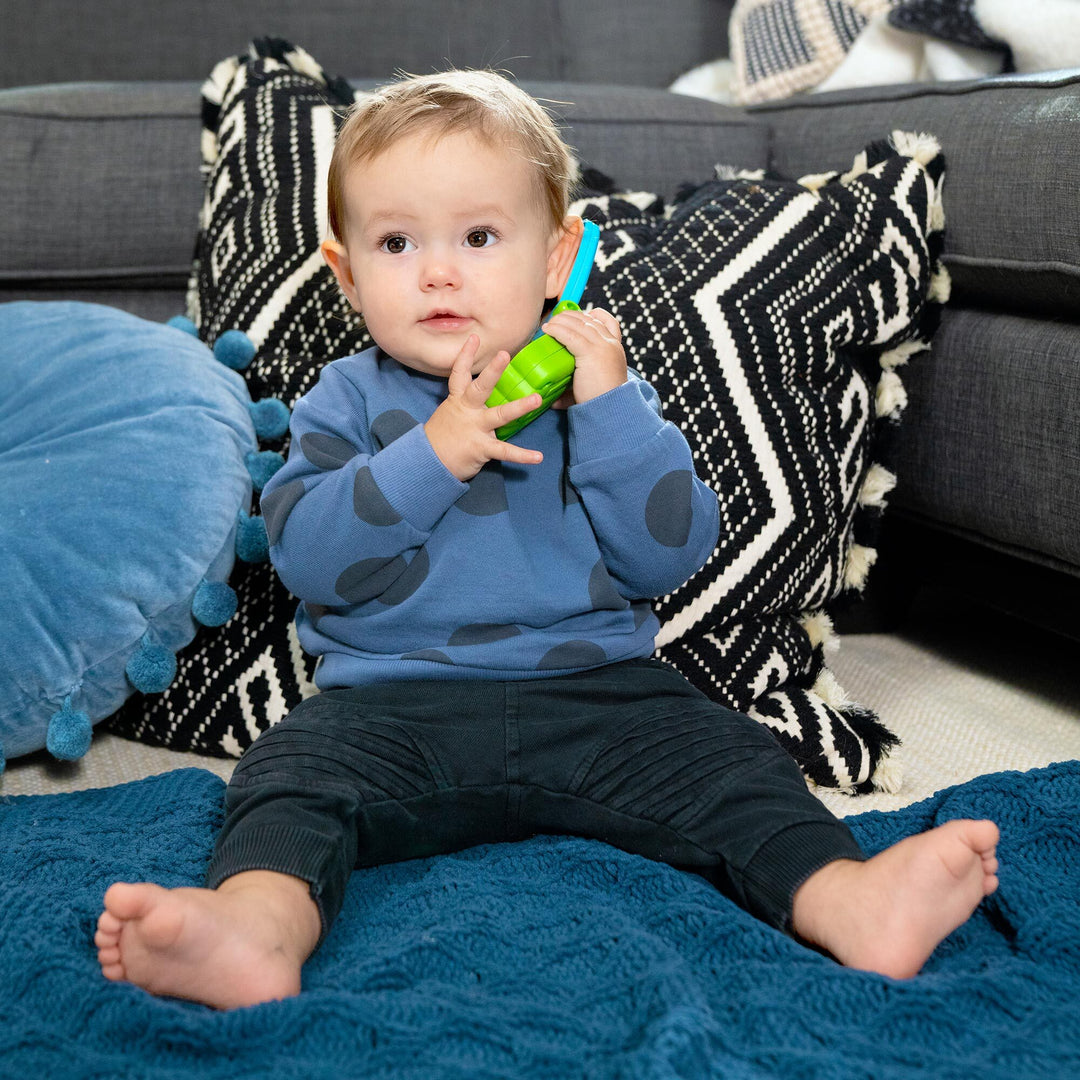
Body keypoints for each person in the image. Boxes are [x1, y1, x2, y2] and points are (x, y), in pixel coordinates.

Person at [95, 70, 1000, 1011]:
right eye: (397, 242)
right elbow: (313, 563)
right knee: (286, 778)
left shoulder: (601, 400)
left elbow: (669, 554)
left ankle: (850, 900)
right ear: (347, 272)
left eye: (480, 238)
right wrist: (433, 453)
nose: (439, 271)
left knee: (738, 761)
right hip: (394, 706)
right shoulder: (346, 399)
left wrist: (608, 411)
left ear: (559, 257)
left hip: (604, 695)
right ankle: (254, 931)